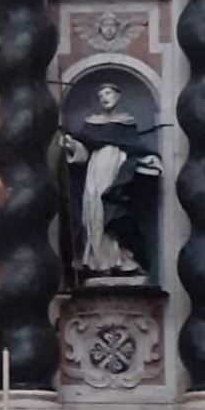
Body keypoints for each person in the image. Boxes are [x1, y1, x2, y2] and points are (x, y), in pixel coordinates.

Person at [59, 83, 161, 278]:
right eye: (101, 95)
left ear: (117, 95)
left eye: (108, 93)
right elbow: (82, 154)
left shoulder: (127, 123)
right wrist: (71, 144)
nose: (104, 97)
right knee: (94, 212)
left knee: (116, 210)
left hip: (118, 171)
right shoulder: (91, 124)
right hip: (96, 170)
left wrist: (149, 159)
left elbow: (136, 149)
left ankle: (121, 260)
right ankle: (99, 262)